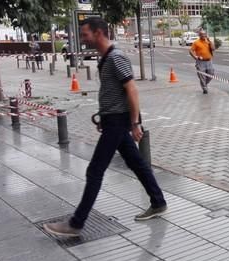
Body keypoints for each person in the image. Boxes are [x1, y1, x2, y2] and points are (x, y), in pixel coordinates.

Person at [43, 17, 167, 237]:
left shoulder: (116, 57)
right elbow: (115, 92)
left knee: (95, 170)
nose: (83, 38)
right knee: (136, 164)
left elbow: (132, 90)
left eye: (85, 34)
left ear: (98, 33)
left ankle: (76, 223)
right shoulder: (106, 57)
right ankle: (158, 202)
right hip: (112, 120)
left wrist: (135, 123)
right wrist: (104, 115)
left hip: (119, 122)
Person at [189, 29, 215, 94]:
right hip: (200, 62)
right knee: (202, 75)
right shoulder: (196, 42)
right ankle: (204, 88)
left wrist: (210, 42)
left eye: (204, 34)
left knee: (211, 74)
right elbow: (191, 51)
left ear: (206, 35)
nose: (203, 35)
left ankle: (204, 84)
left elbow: (213, 49)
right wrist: (195, 57)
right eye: (202, 34)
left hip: (209, 61)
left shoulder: (208, 41)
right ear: (199, 35)